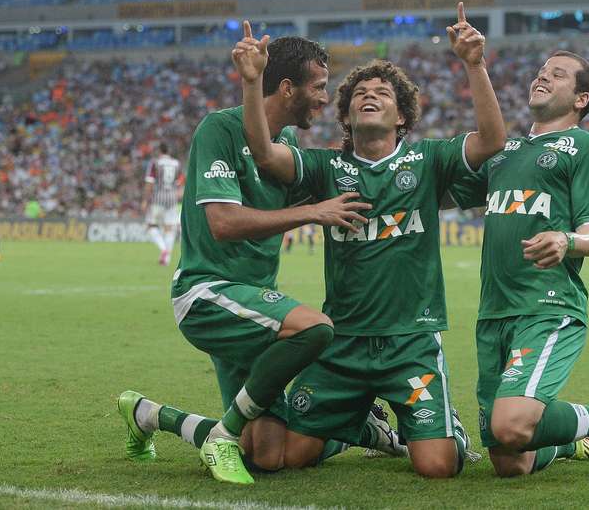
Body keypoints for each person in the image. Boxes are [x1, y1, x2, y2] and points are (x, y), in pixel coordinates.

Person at [117, 33, 405, 485]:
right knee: (315, 329)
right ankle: (227, 433)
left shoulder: (285, 143)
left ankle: (148, 414)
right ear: (288, 87)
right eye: (319, 86)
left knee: (269, 456)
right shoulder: (219, 129)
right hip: (208, 293)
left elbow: (331, 177)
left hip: (253, 303)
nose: (324, 98)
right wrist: (311, 211)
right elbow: (223, 223)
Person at [237, 3, 499, 478]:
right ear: (347, 116)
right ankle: (365, 426)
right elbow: (262, 152)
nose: (369, 95)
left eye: (382, 92)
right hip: (343, 345)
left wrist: (474, 64)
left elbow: (491, 141)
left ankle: (444, 428)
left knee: (438, 467)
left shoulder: (428, 162)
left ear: (402, 116)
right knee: (284, 457)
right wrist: (253, 82)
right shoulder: (325, 169)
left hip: (410, 343)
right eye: (359, 93)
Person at [448, 50, 589, 481]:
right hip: (493, 312)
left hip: (547, 305)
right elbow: (444, 193)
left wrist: (566, 238)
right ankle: (567, 442)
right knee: (510, 461)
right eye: (541, 72)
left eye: (557, 75)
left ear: (581, 98)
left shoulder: (588, 149)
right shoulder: (503, 151)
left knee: (511, 424)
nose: (542, 78)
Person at [142, 143, 183, 266]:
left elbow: (149, 183)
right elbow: (179, 183)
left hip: (158, 198)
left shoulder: (155, 162)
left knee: (151, 226)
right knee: (169, 229)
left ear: (159, 151)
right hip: (172, 198)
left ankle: (163, 249)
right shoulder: (177, 164)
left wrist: (145, 200)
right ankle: (167, 259)